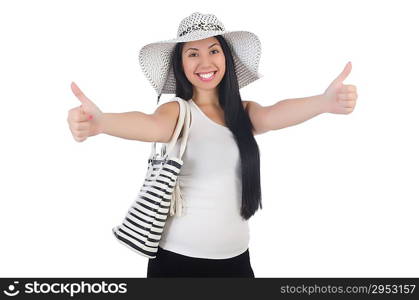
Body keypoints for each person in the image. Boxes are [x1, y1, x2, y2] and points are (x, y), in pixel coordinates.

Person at [67, 12, 358, 278]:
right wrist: (101, 122)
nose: (205, 63)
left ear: (226, 58)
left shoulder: (243, 114)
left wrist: (324, 102)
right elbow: (149, 125)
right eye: (192, 53)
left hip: (237, 262)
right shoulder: (178, 112)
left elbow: (274, 114)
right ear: (180, 65)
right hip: (179, 264)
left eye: (214, 51)